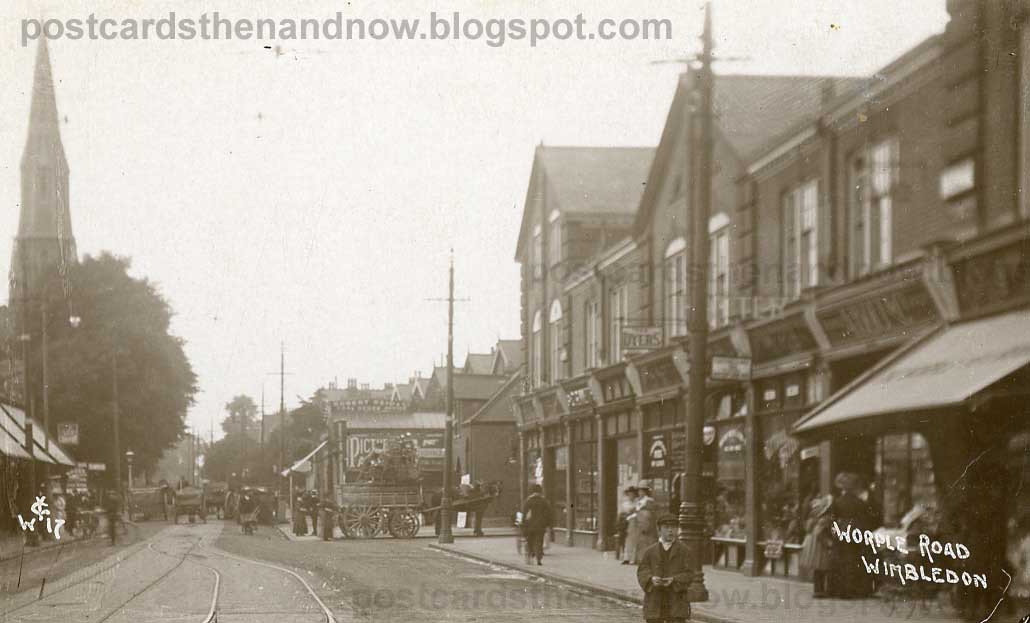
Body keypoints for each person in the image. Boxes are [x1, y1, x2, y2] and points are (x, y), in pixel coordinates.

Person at [637, 514, 693, 623]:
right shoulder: (650, 552)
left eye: (673, 528)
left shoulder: (685, 551)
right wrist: (651, 579)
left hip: (676, 601)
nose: (670, 531)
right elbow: (642, 571)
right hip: (654, 600)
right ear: (659, 530)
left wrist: (674, 580)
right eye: (666, 528)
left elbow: (690, 574)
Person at [827, 472, 874, 598]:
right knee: (855, 559)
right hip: (857, 531)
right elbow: (866, 518)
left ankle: (839, 589)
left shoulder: (837, 502)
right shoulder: (860, 502)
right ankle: (854, 589)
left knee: (841, 560)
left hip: (842, 530)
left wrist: (833, 532)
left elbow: (832, 519)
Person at [800, 494, 833, 598]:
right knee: (822, 567)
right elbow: (819, 533)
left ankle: (818, 590)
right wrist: (829, 543)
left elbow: (809, 529)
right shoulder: (824, 518)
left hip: (813, 543)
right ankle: (821, 590)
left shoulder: (813, 517)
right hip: (820, 545)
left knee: (817, 568)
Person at [521, 484, 552, 566]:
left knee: (530, 541)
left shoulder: (528, 501)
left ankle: (531, 554)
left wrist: (523, 524)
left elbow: (524, 514)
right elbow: (548, 513)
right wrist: (548, 524)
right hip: (540, 526)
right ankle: (539, 558)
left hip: (530, 525)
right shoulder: (544, 501)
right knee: (539, 541)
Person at [635, 482, 659, 564]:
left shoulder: (648, 501)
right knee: (642, 542)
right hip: (641, 523)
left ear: (645, 492)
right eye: (639, 491)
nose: (639, 493)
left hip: (647, 523)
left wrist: (645, 524)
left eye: (641, 491)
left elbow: (649, 514)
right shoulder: (639, 501)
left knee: (648, 541)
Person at [622, 486, 640, 565]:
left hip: (635, 523)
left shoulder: (638, 503)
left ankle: (633, 558)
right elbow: (623, 513)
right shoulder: (625, 504)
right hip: (627, 524)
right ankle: (626, 558)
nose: (631, 496)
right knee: (627, 540)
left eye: (632, 494)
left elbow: (638, 512)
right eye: (629, 494)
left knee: (635, 540)